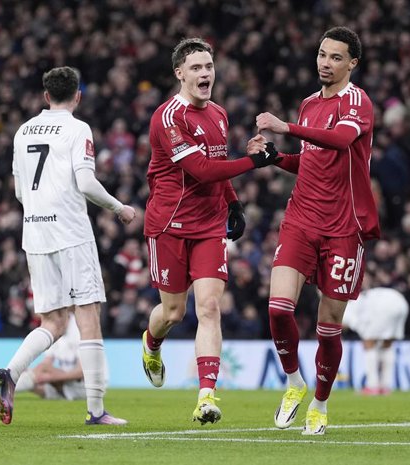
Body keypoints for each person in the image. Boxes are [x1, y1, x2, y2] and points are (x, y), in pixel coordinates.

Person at [140, 38, 278, 425]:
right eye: (196, 68)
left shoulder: (218, 113)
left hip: (208, 225)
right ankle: (152, 343)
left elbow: (217, 165)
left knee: (210, 307)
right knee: (173, 311)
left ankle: (206, 396)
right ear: (179, 73)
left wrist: (232, 203)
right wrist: (252, 163)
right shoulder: (168, 119)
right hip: (169, 224)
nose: (205, 74)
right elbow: (200, 170)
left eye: (209, 66)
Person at [0, 66, 136, 426]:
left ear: (45, 96)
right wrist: (119, 208)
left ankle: (11, 372)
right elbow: (86, 183)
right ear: (78, 95)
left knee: (53, 322)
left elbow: (20, 192)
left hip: (35, 234)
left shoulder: (23, 131)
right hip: (71, 233)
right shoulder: (77, 128)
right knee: (88, 318)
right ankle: (97, 411)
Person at [256, 26, 379, 435]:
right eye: (322, 55)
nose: (325, 63)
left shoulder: (357, 102)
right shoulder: (310, 104)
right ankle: (294, 383)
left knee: (328, 325)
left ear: (352, 64)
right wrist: (275, 157)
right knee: (277, 309)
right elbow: (309, 160)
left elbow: (340, 142)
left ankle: (321, 405)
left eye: (336, 57)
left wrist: (285, 127)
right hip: (301, 220)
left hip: (345, 227)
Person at [0, 314, 88, 401]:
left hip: (84, 387)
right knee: (30, 377)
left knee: (35, 375)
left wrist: (50, 377)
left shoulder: (79, 329)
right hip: (67, 386)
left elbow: (82, 372)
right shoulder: (59, 327)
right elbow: (46, 363)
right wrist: (35, 374)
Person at [343, 269, 408, 395]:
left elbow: (345, 322)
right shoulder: (367, 294)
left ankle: (372, 386)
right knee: (387, 344)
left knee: (369, 344)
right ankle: (386, 386)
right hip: (400, 302)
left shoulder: (350, 305)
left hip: (383, 305)